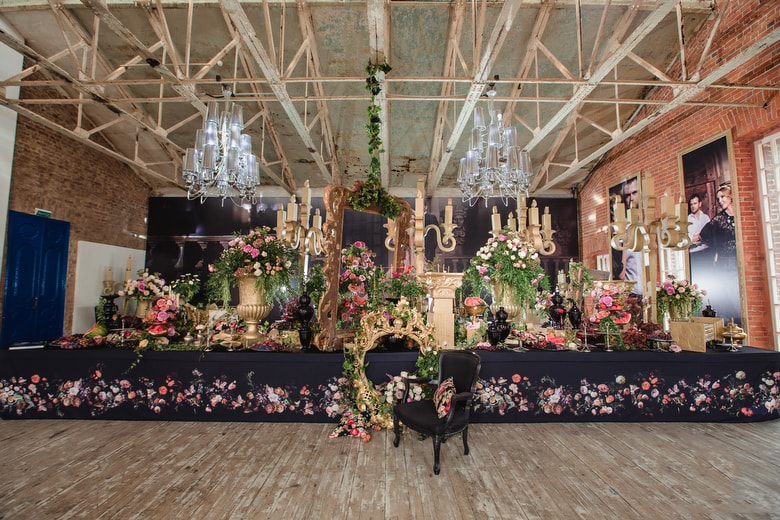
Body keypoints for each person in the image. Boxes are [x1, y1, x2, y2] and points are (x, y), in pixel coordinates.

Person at [700, 183, 736, 269]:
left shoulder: (740, 215)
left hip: (742, 257)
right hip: (726, 262)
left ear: (730, 196)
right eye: (718, 199)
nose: (720, 201)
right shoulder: (718, 219)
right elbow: (703, 235)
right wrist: (716, 251)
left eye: (722, 196)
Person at [618, 177, 643, 297]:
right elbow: (621, 273)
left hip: (650, 290)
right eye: (628, 195)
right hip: (632, 293)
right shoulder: (622, 228)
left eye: (634, 193)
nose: (631, 198)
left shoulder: (648, 224)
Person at [687, 193, 712, 274]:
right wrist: (699, 238)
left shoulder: (706, 218)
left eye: (695, 203)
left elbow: (710, 235)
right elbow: (688, 239)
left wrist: (698, 237)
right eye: (691, 204)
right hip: (694, 254)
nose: (693, 206)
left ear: (700, 204)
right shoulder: (687, 220)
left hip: (706, 252)